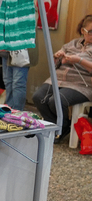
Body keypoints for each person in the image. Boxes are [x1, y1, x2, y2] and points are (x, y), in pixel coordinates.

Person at [32, 15, 92, 143]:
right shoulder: (73, 43)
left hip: (81, 84)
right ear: (83, 31)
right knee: (38, 97)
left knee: (56, 101)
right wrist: (58, 57)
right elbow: (56, 63)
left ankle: (61, 127)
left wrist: (80, 60)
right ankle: (58, 125)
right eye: (91, 32)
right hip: (58, 79)